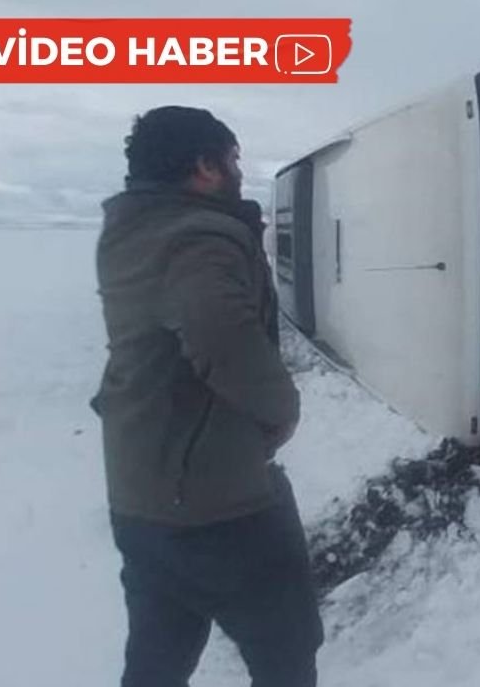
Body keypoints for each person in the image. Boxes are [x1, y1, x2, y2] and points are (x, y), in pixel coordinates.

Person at [91, 106, 322, 686]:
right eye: (233, 158)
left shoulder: (132, 231)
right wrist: (280, 410)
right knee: (287, 651)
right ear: (205, 165)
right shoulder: (197, 236)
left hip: (143, 497)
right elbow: (219, 331)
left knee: (158, 655)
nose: (239, 170)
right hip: (219, 504)